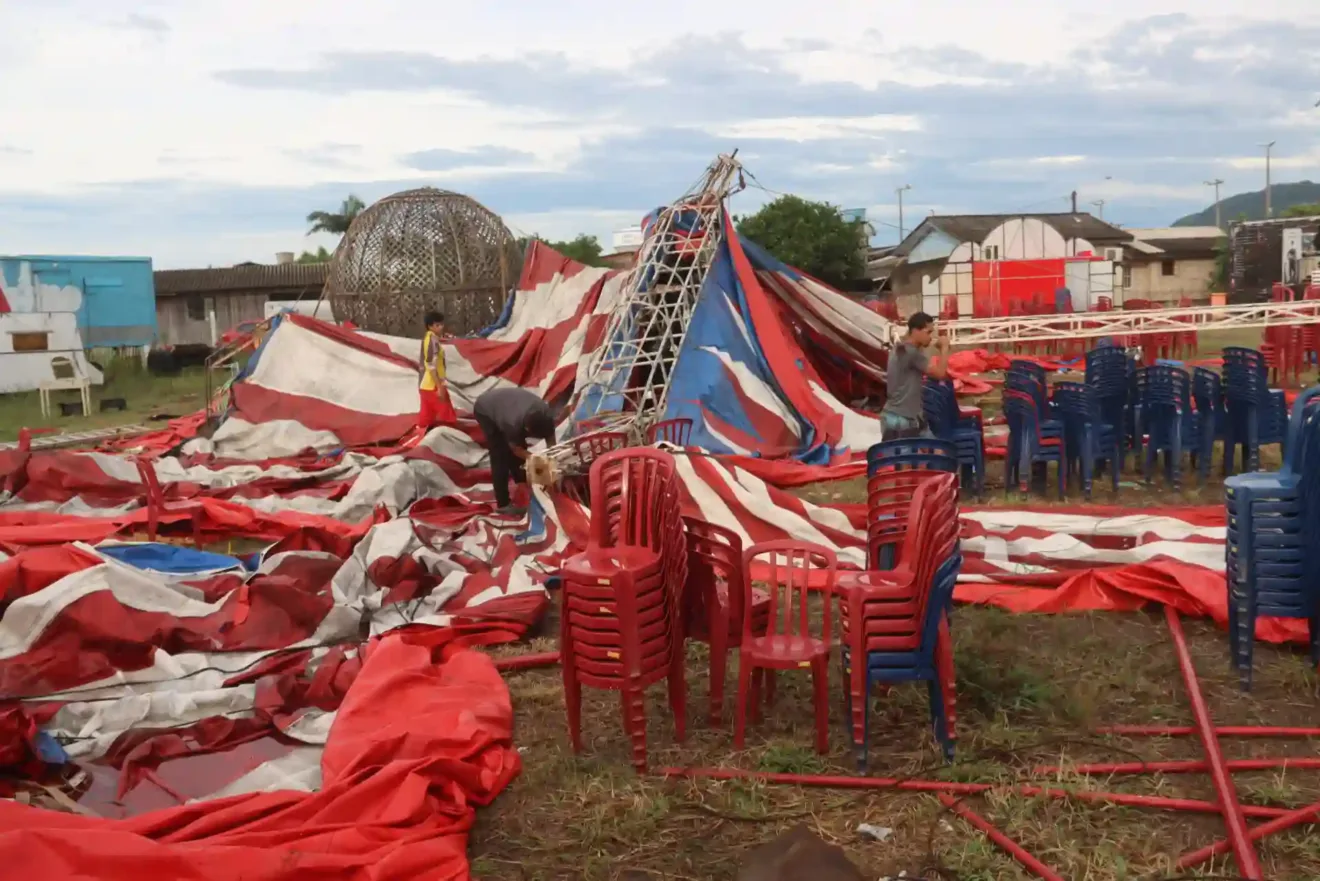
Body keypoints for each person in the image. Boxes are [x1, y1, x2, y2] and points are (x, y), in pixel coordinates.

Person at [473, 386, 557, 516]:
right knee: (500, 454)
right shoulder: (512, 423)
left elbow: (552, 442)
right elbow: (517, 450)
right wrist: (539, 460)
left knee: (518, 446)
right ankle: (503, 504)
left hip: (507, 404)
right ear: (527, 429)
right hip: (485, 409)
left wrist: (553, 462)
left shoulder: (546, 414)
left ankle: (522, 482)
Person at [880, 311, 949, 440]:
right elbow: (940, 374)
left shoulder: (901, 348)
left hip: (905, 416)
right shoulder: (911, 353)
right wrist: (944, 348)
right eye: (928, 332)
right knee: (914, 459)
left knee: (937, 454)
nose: (930, 337)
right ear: (916, 331)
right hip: (902, 420)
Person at [417, 311, 456, 430]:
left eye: (441, 324)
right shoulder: (432, 340)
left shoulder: (431, 338)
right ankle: (451, 440)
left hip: (425, 385)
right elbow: (430, 365)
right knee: (448, 417)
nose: (441, 327)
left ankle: (420, 439)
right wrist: (439, 386)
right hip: (432, 384)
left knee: (425, 418)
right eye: (437, 325)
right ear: (430, 326)